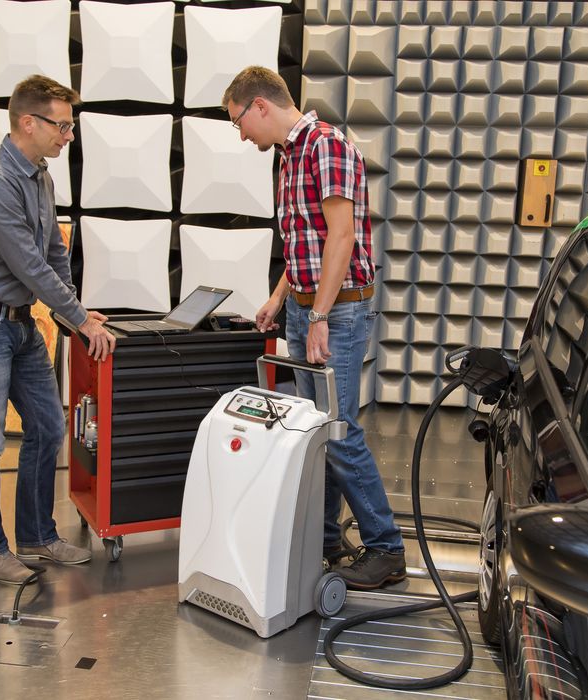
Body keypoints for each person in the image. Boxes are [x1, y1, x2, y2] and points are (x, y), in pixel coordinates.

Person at [222, 66, 406, 590]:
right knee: (313, 431)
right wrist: (280, 299)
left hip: (339, 311)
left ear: (260, 105)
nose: (241, 135)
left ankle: (387, 549)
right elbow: (305, 239)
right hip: (306, 308)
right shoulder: (289, 155)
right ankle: (324, 538)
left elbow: (341, 238)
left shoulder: (327, 147)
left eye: (239, 122)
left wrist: (320, 314)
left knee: (339, 430)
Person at [0, 75, 116, 586]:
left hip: (17, 325)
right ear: (27, 122)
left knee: (49, 426)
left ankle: (37, 535)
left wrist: (77, 309)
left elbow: (54, 254)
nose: (69, 136)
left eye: (71, 126)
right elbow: (27, 265)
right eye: (62, 126)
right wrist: (77, 320)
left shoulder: (39, 174)